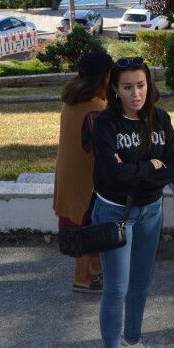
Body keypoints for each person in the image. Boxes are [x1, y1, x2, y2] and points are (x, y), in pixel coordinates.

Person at [87, 55, 174, 348]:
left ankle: (133, 341)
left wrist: (140, 169)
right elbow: (112, 175)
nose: (135, 93)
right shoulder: (105, 124)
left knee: (141, 283)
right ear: (115, 88)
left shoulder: (161, 119)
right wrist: (148, 166)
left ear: (149, 85)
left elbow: (171, 167)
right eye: (127, 87)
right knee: (116, 289)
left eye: (140, 85)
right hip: (115, 213)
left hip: (152, 211)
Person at [53, 50, 113, 294]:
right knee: (92, 228)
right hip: (86, 181)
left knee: (86, 225)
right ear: (104, 77)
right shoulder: (95, 108)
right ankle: (86, 278)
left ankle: (91, 274)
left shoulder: (72, 101)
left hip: (70, 176)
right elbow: (100, 146)